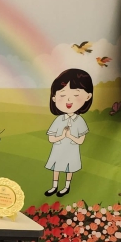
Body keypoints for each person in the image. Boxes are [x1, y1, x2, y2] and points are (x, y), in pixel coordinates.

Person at [44, 69, 93, 198]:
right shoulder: (59, 120)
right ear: (54, 98)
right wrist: (61, 136)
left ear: (88, 96)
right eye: (62, 95)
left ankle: (66, 187)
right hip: (58, 149)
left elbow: (81, 140)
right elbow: (51, 138)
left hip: (72, 151)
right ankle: (54, 186)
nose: (69, 100)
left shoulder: (80, 121)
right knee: (56, 168)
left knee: (69, 168)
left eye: (76, 95)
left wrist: (69, 136)